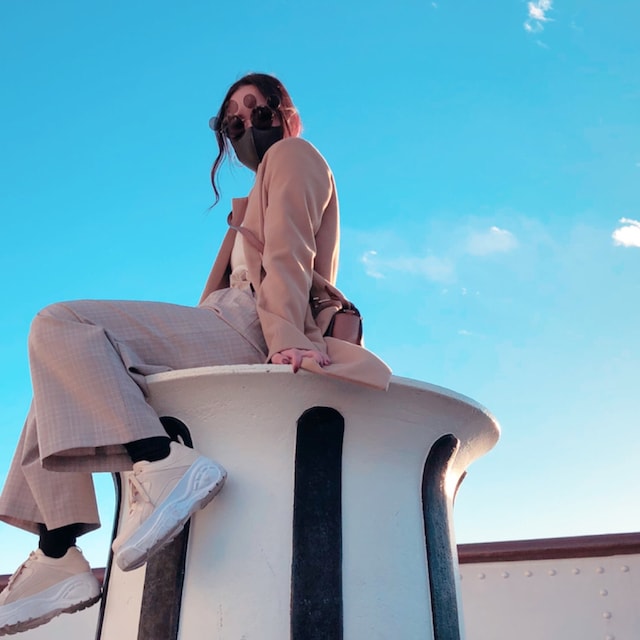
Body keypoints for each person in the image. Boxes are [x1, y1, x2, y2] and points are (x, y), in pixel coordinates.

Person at [0, 72, 391, 635]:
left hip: (252, 322)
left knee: (60, 323)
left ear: (286, 114)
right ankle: (57, 551)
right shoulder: (254, 194)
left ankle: (159, 462)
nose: (246, 126)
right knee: (66, 365)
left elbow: (290, 251)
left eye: (258, 111)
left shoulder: (295, 155)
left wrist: (286, 337)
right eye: (232, 123)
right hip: (224, 317)